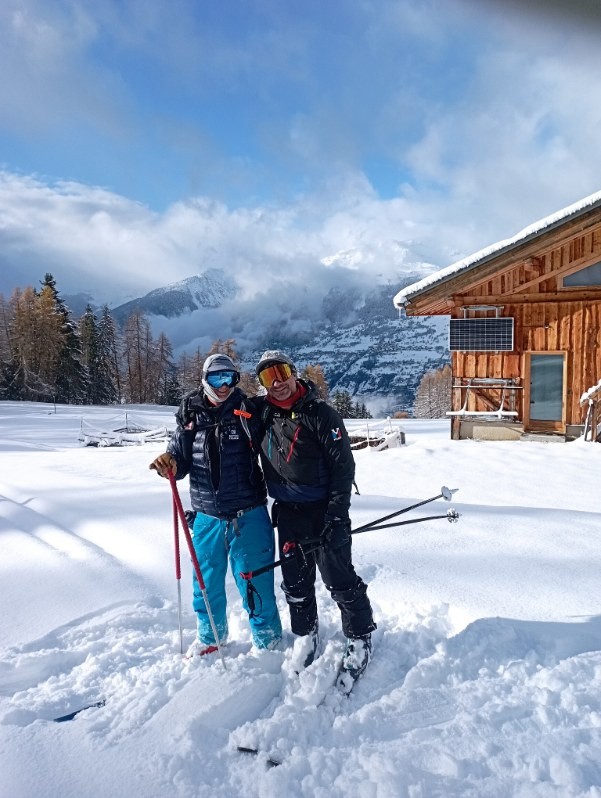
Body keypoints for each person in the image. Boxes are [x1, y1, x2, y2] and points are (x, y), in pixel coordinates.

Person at [253, 350, 376, 685]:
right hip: (289, 513)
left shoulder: (321, 414)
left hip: (324, 511)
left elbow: (343, 467)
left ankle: (360, 635)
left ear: (294, 373)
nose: (277, 382)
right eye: (267, 377)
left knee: (339, 579)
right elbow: (220, 406)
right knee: (295, 582)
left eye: (280, 372)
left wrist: (337, 515)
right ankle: (306, 634)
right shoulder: (261, 414)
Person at [150, 353, 282, 657]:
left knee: (255, 584)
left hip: (248, 514)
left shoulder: (248, 411)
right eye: (216, 379)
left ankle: (268, 644)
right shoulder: (189, 413)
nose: (223, 386)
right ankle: (211, 638)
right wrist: (169, 463)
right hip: (207, 517)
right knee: (205, 585)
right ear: (204, 379)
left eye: (230, 379)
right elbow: (179, 459)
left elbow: (277, 446)